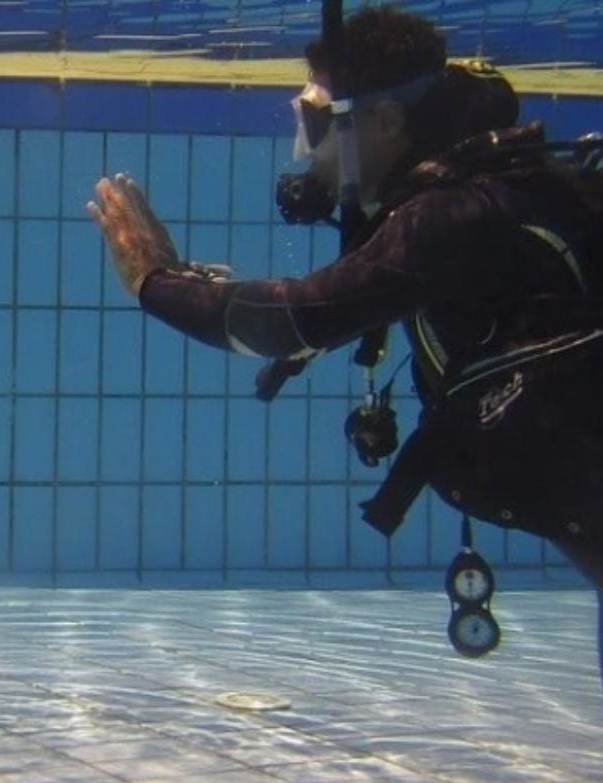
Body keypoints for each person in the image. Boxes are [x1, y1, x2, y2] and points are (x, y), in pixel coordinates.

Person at [90, 6, 603, 679]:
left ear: (386, 122)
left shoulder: (451, 215)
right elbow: (329, 306)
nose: (304, 150)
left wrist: (154, 281)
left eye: (316, 123)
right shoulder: (471, 198)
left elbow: (297, 319)